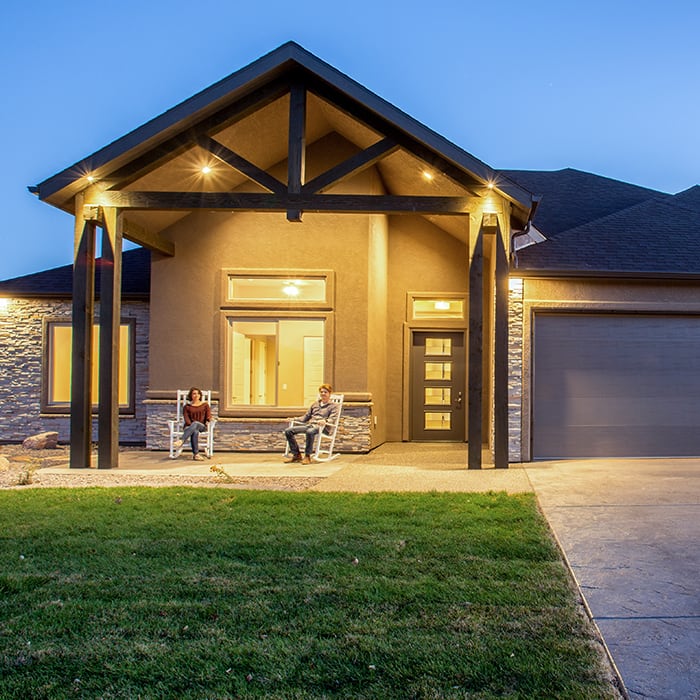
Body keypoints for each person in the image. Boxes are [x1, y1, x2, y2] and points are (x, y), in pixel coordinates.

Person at [284, 384, 339, 464]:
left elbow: (332, 419)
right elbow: (305, 417)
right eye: (321, 392)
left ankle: (307, 456)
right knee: (288, 431)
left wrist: (325, 421)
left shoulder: (333, 406)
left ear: (330, 393)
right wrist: (293, 419)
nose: (323, 394)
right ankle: (296, 455)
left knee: (310, 431)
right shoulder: (315, 404)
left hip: (323, 428)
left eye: (325, 392)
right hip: (310, 425)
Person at [173, 387, 211, 461]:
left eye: (198, 394)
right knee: (195, 431)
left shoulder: (205, 405)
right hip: (190, 427)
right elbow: (187, 419)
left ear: (200, 395)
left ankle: (182, 440)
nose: (196, 395)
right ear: (191, 396)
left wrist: (209, 419)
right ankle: (196, 454)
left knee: (196, 423)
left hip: (202, 426)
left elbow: (208, 416)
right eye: (194, 394)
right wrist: (191, 427)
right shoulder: (187, 407)